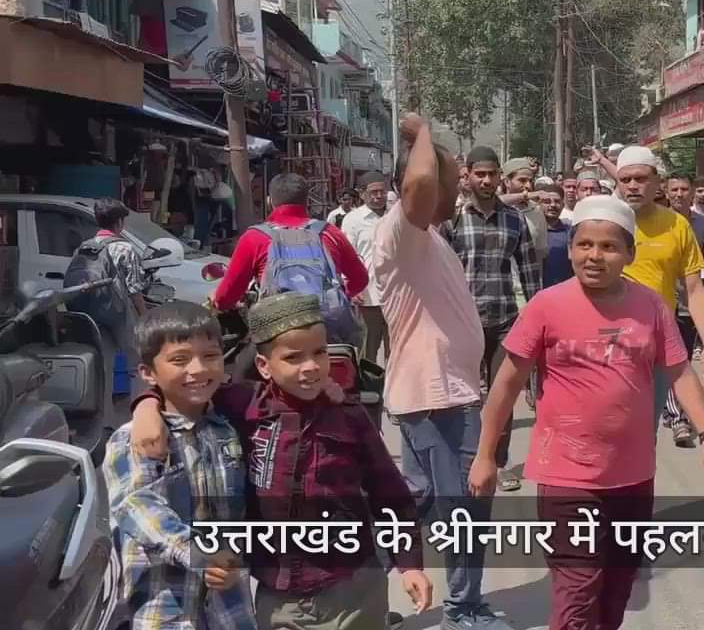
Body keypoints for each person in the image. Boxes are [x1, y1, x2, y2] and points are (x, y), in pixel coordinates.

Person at [467, 195, 704, 630]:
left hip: (632, 477)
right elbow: (506, 385)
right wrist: (485, 455)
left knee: (615, 592)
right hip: (566, 477)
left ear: (629, 253)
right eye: (584, 245)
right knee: (577, 592)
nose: (594, 256)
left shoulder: (651, 307)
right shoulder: (546, 306)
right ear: (570, 249)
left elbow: (680, 372)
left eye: (609, 247)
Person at [128, 295, 432, 630]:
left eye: (319, 353)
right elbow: (186, 388)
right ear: (263, 366)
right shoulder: (241, 405)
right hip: (281, 596)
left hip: (355, 588)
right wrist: (146, 404)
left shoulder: (348, 415)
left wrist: (410, 564)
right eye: (292, 357)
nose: (311, 366)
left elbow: (389, 495)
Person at [376, 114, 516, 630]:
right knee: (466, 505)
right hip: (438, 399)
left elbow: (431, 181)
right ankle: (463, 608)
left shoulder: (429, 237)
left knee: (419, 501)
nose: (456, 191)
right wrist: (424, 133)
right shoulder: (402, 230)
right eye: (450, 182)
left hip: (438, 395)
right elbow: (418, 183)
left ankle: (358, 576)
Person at [103, 301, 256, 630]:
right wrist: (197, 552)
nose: (198, 369)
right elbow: (136, 504)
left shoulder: (226, 429)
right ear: (148, 372)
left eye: (210, 356)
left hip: (229, 610)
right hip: (163, 609)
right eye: (179, 360)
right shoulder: (136, 437)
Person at [443, 146, 543, 493]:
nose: (486, 180)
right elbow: (439, 274)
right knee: (465, 397)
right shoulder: (451, 219)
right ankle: (468, 459)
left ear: (500, 177)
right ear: (467, 176)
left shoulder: (515, 220)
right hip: (462, 324)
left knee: (503, 395)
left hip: (505, 322)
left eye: (492, 174)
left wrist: (539, 320)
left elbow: (530, 273)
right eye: (479, 174)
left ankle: (498, 463)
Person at [614, 146, 704, 443]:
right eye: (625, 180)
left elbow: (695, 289)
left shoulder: (677, 225)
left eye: (640, 178)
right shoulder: (606, 222)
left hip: (657, 341)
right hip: (608, 342)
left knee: (645, 432)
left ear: (657, 181)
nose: (633, 186)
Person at [211, 173, 367, 321]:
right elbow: (360, 278)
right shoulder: (329, 233)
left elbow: (227, 294)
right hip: (328, 328)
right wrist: (341, 295)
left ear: (269, 201)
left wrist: (218, 302)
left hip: (277, 330)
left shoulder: (254, 237)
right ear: (307, 202)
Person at [66, 198, 149, 395]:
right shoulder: (125, 248)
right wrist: (145, 316)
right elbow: (134, 289)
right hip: (118, 314)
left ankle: (105, 410)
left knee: (104, 361)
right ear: (119, 222)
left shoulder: (85, 246)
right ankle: (132, 406)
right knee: (134, 361)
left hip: (89, 311)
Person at [662, 173, 704, 445]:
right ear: (666, 191)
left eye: (684, 189)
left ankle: (675, 410)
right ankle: (677, 419)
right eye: (674, 189)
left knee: (682, 359)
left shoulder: (702, 223)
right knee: (671, 361)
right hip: (662, 303)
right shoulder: (658, 222)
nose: (679, 194)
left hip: (690, 303)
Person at [341, 171, 392, 361]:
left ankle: (392, 389)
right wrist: (351, 287)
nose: (379, 196)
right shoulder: (353, 220)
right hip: (367, 294)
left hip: (394, 294)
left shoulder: (395, 215)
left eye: (382, 191)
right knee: (368, 349)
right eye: (373, 192)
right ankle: (369, 387)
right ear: (362, 194)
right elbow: (347, 256)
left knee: (395, 349)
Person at [499, 156, 550, 263]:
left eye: (530, 181)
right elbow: (494, 202)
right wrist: (525, 196)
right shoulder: (497, 209)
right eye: (522, 180)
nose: (528, 185)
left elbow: (540, 252)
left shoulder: (536, 210)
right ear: (507, 182)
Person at [541, 184, 574, 287]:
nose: (553, 205)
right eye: (547, 202)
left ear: (563, 205)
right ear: (539, 204)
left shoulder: (570, 231)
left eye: (557, 201)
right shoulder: (531, 231)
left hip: (563, 292)